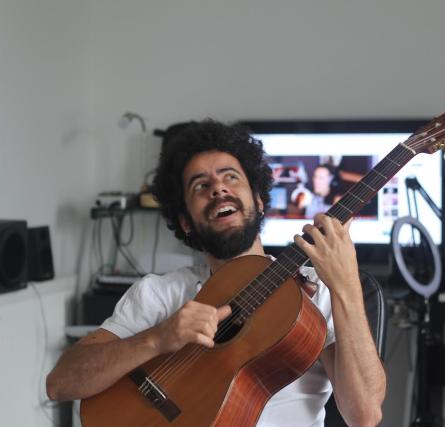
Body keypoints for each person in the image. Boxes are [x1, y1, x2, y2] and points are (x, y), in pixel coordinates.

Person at [46, 120, 386, 426]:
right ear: (185, 222)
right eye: (200, 185)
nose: (218, 189)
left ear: (259, 199)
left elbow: (365, 415)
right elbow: (60, 383)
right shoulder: (158, 295)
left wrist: (346, 288)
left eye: (230, 177)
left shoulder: (317, 294)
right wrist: (157, 338)